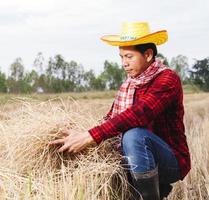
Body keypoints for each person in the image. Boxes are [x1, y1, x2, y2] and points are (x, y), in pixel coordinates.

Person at [50, 22, 191, 200]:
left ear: (147, 55)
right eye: (121, 57)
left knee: (133, 135)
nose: (124, 63)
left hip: (171, 160)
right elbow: (111, 118)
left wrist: (91, 136)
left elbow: (140, 113)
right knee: (117, 142)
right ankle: (146, 191)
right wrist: (81, 132)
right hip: (136, 157)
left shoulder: (167, 79)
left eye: (129, 57)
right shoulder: (130, 84)